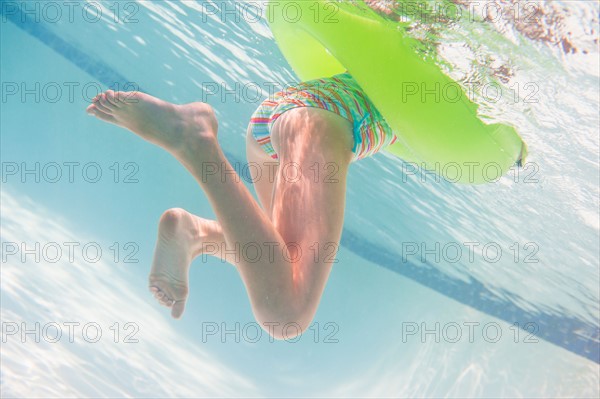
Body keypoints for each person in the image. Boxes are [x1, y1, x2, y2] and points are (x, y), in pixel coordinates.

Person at [86, 72, 397, 339]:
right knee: (285, 313)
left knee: (279, 260)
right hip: (320, 121)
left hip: (289, 119)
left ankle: (200, 235)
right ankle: (193, 141)